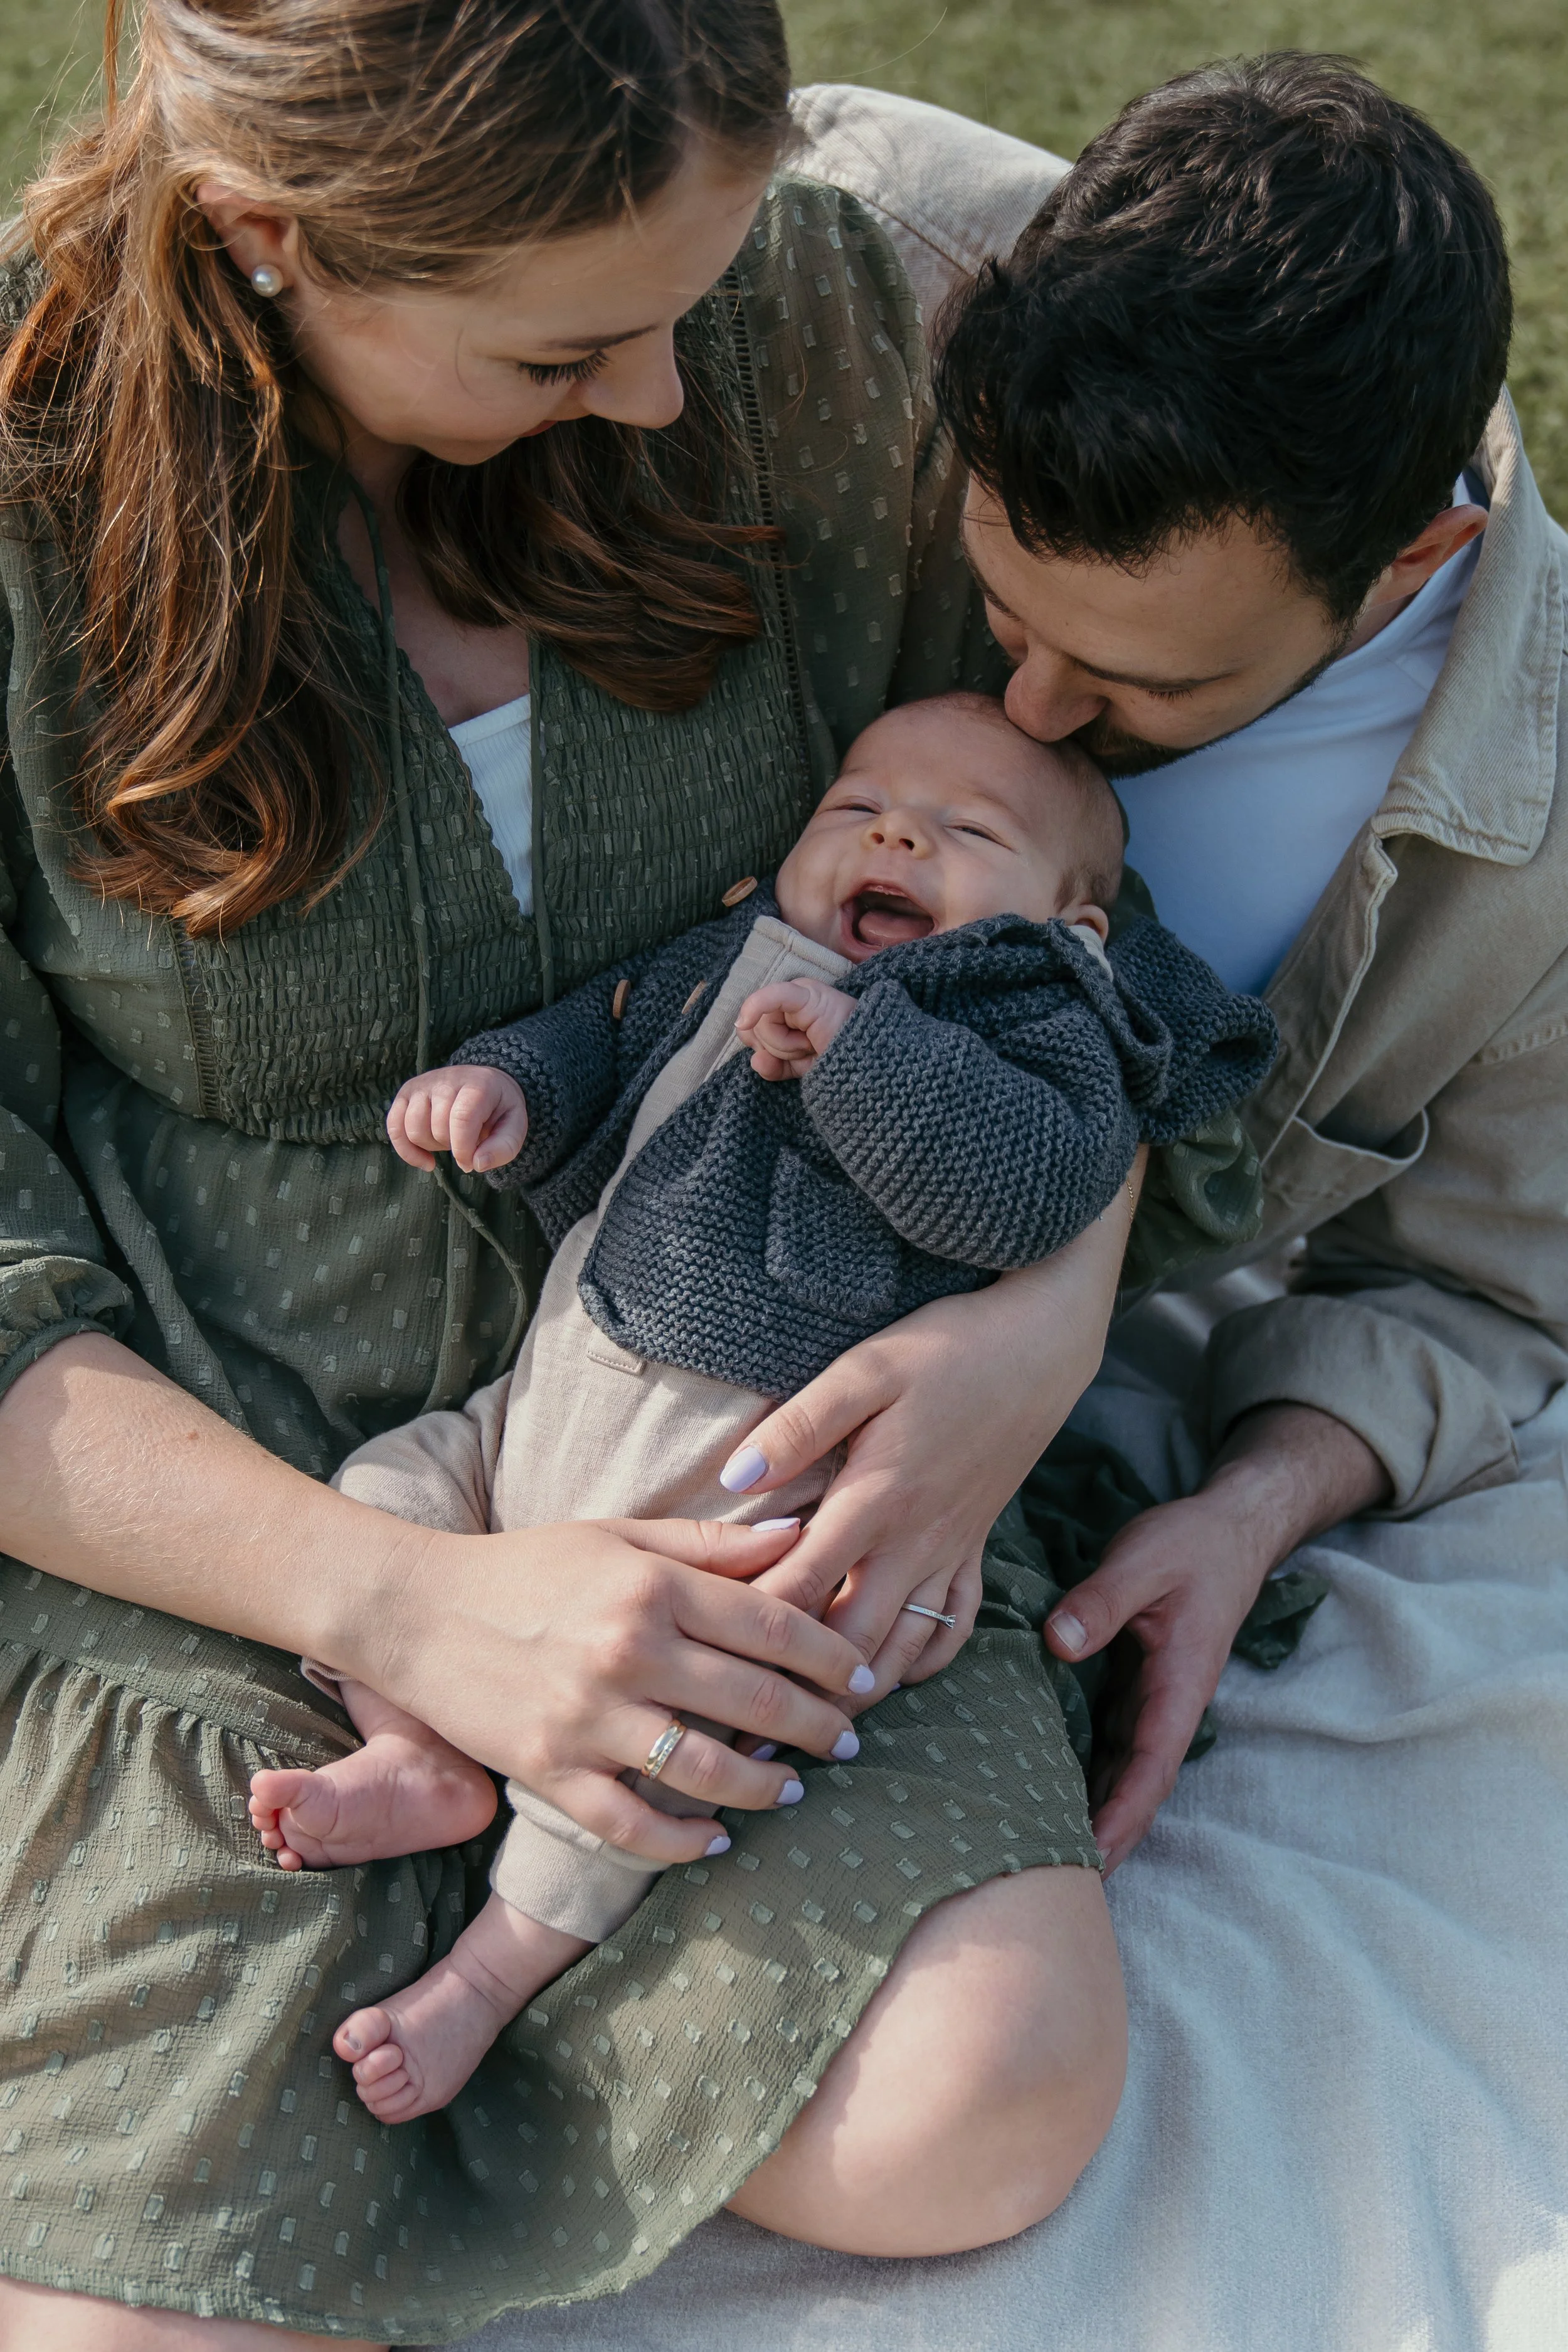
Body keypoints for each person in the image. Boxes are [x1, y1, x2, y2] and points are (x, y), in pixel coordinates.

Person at [0, 6, 1245, 2343]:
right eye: (576, 343)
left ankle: (525, 1966)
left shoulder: (821, 326)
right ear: (278, 238)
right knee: (132, 2319)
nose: (675, 395)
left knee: (978, 2098)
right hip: (249, 1501)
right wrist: (406, 1603)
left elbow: (1067, 944)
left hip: (776, 1473)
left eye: (701, 292)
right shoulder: (21, 503)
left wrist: (1030, 1326)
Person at [242, 693, 1275, 2124]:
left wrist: (859, 1059)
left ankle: (484, 1975)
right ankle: (416, 1751)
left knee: (669, 1744)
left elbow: (1023, 1188)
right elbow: (604, 1031)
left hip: (742, 1478)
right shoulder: (738, 947)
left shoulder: (1039, 1022)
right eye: (855, 807)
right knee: (385, 1492)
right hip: (550, 1397)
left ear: (1073, 925)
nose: (895, 832)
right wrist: (508, 1090)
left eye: (964, 831)